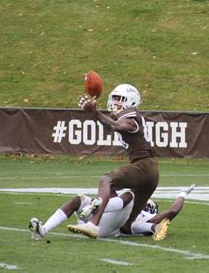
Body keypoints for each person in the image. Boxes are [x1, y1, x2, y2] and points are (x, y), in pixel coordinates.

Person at [67, 84, 159, 239]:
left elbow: (116, 126)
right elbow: (111, 126)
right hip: (151, 172)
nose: (116, 102)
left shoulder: (131, 117)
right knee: (126, 226)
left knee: (106, 179)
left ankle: (93, 224)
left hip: (143, 166)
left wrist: (94, 112)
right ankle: (150, 226)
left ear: (131, 101)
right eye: (114, 98)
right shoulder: (130, 117)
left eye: (120, 99)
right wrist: (95, 114)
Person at [28, 184, 195, 241]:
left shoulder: (143, 219)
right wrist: (182, 194)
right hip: (107, 217)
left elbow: (166, 216)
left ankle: (97, 208)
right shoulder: (140, 214)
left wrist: (157, 228)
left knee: (130, 194)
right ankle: (43, 231)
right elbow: (171, 212)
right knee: (77, 200)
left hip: (108, 228)